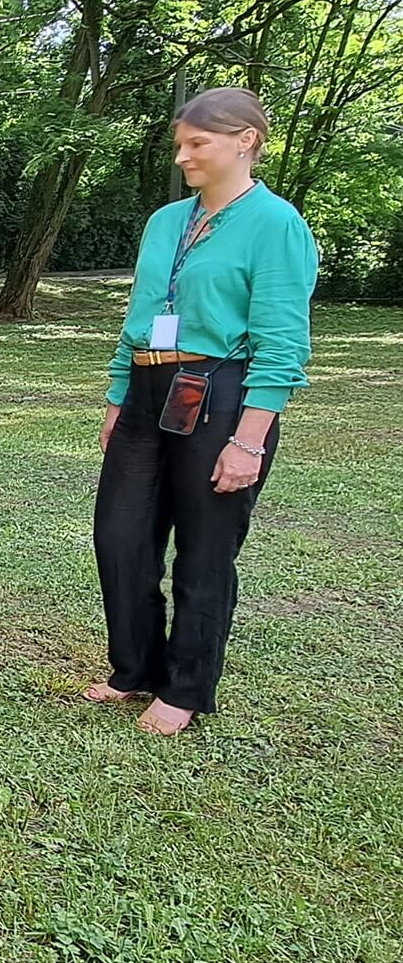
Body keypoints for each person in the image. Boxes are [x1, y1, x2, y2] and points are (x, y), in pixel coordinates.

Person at [87, 87, 318, 735]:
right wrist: (116, 395)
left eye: (198, 143)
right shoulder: (166, 221)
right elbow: (140, 319)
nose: (184, 156)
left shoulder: (275, 225)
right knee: (120, 538)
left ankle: (185, 688)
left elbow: (282, 344)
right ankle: (133, 669)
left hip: (221, 392)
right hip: (146, 389)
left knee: (204, 550)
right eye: (180, 145)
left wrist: (248, 440)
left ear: (245, 140)